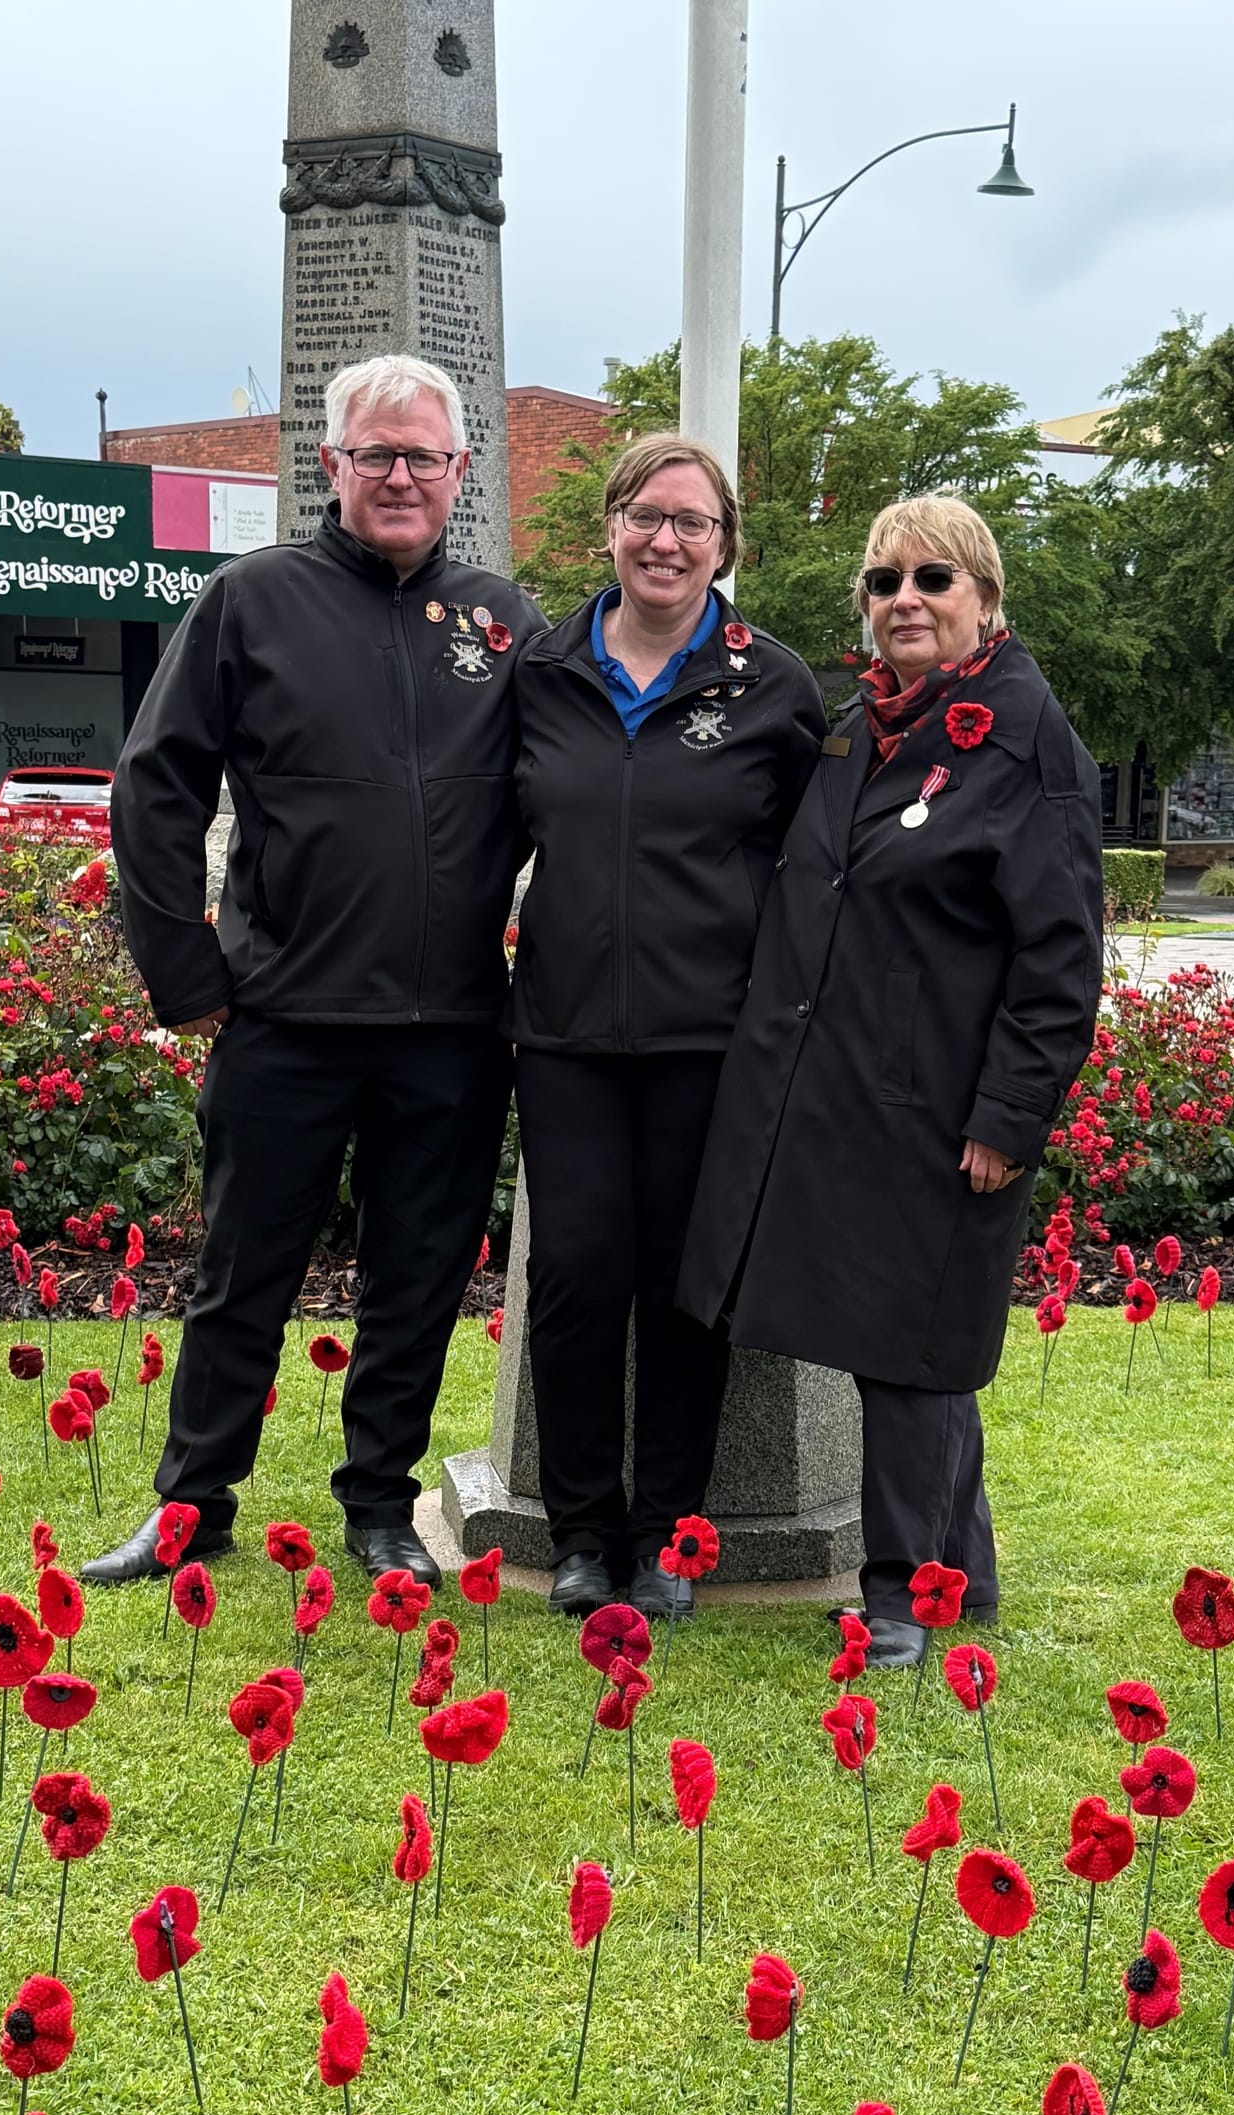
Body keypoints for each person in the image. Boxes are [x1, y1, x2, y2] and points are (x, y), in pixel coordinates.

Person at [86, 354, 544, 1589]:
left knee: (417, 1282)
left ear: (461, 472)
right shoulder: (248, 603)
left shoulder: (506, 624)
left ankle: (380, 1509)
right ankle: (192, 1507)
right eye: (373, 454)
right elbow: (155, 787)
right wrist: (183, 971)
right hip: (281, 1011)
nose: (399, 476)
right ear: (330, 466)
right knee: (242, 1271)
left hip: (450, 1026)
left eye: (424, 457)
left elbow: (587, 795)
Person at [677, 494, 1103, 1665]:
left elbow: (1058, 958)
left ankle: (900, 1603)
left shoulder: (1021, 737)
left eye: (931, 580)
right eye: (883, 582)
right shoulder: (861, 726)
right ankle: (954, 1577)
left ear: (984, 598)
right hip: (837, 1093)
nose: (903, 601)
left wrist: (1008, 1117)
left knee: (912, 1351)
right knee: (909, 1349)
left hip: (941, 1109)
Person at [510, 434, 826, 1616]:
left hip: (714, 1043)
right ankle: (584, 1534)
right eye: (647, 516)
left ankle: (668, 1538)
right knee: (578, 1278)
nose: (666, 540)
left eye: (692, 523)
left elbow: (813, 875)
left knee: (687, 1291)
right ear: (610, 526)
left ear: (724, 546)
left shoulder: (773, 684)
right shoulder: (538, 671)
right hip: (565, 1038)